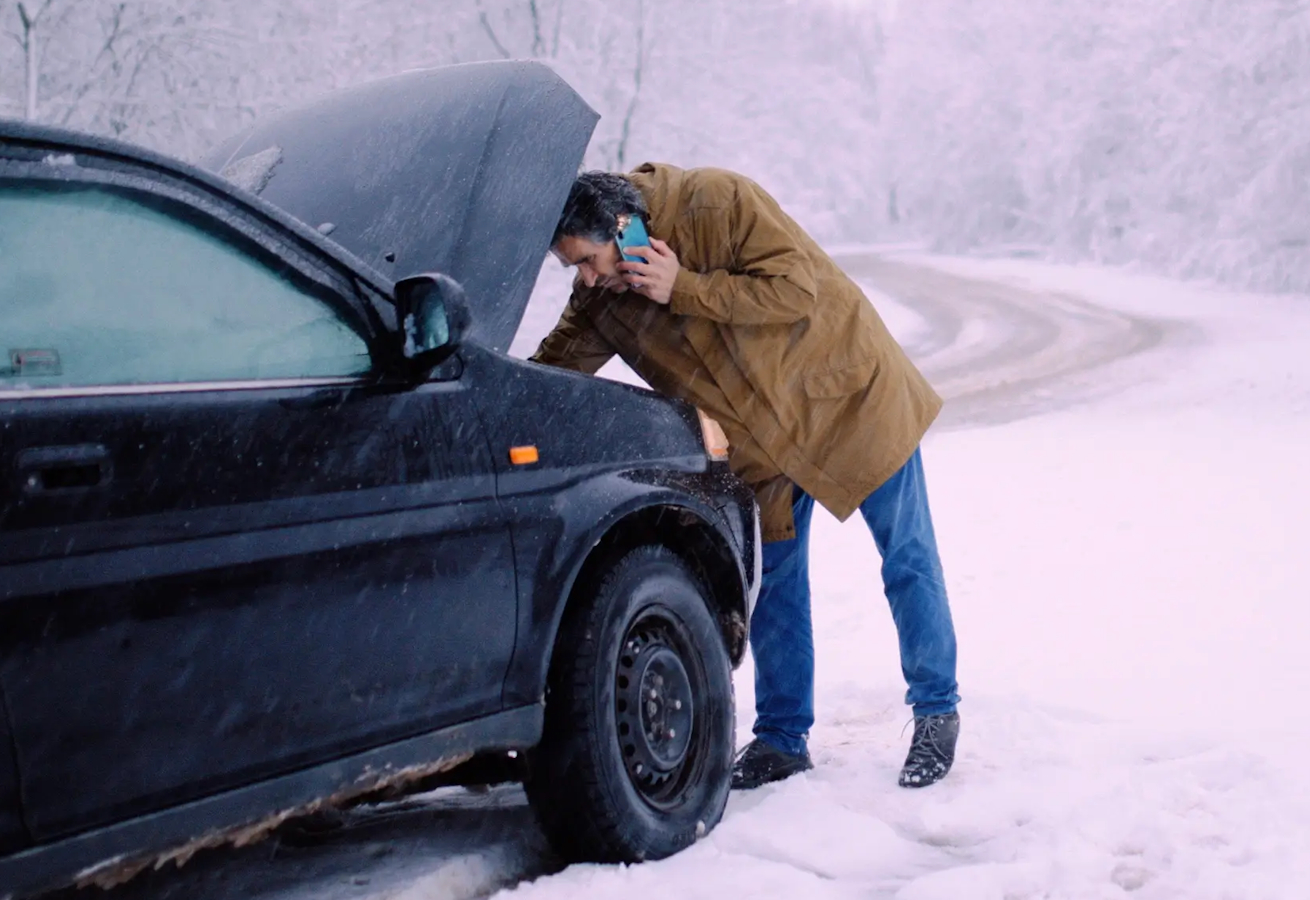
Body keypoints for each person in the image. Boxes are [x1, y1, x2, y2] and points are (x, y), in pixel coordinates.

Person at [530, 165, 960, 790]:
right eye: (575, 269)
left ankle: (936, 714)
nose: (588, 278)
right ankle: (782, 740)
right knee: (774, 589)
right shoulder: (602, 299)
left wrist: (684, 287)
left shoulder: (716, 201)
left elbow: (795, 289)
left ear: (624, 229)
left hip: (846, 398)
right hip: (759, 448)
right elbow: (552, 371)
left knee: (907, 557)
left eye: (589, 260)